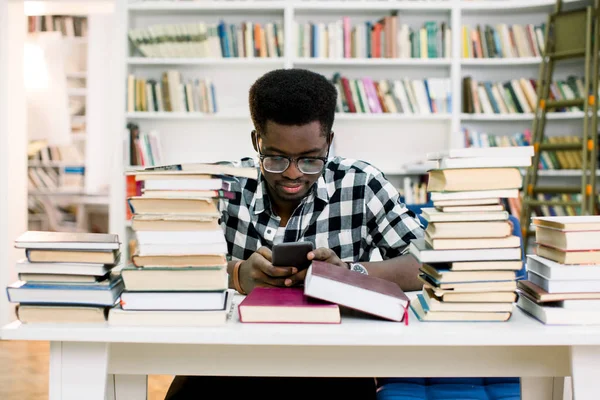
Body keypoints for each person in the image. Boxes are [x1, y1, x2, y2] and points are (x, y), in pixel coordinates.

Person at [165, 68, 425, 400]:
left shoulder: (362, 184)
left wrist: (348, 275)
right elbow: (166, 266)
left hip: (332, 367)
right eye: (275, 158)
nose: (291, 174)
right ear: (256, 140)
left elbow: (425, 264)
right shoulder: (223, 186)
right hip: (228, 361)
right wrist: (236, 273)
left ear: (329, 142)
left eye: (309, 160)